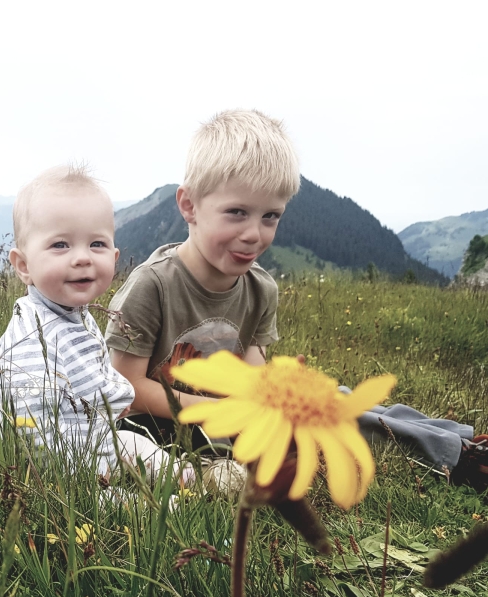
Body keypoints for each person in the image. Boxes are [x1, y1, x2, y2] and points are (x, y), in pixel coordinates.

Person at [105, 109, 488, 492]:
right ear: (189, 206)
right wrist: (213, 410)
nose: (254, 234)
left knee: (333, 400)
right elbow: (123, 387)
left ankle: (453, 435)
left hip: (235, 413)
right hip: (165, 430)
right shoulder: (152, 286)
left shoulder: (260, 288)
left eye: (271, 216)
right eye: (237, 213)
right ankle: (459, 458)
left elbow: (254, 368)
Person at [0, 165, 194, 487]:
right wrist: (76, 477)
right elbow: (28, 426)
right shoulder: (31, 335)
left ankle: (188, 482)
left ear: (114, 258)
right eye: (60, 245)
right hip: (61, 466)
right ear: (24, 265)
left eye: (96, 244)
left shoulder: (77, 313)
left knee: (146, 451)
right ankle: (164, 510)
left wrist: (118, 393)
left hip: (98, 437)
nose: (82, 258)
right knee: (125, 508)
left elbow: (96, 367)